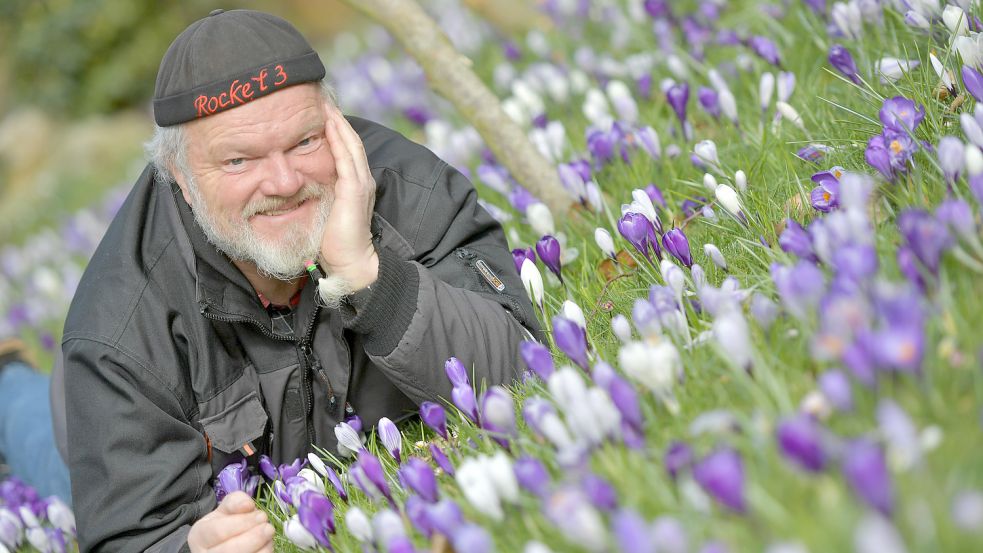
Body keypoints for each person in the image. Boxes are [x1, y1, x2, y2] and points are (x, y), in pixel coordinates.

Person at [59, 9, 540, 552]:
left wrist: (367, 274)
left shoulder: (411, 193)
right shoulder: (117, 331)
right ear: (182, 180)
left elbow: (524, 370)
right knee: (42, 452)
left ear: (336, 124)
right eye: (240, 160)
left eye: (305, 142)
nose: (285, 182)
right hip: (87, 415)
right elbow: (127, 534)